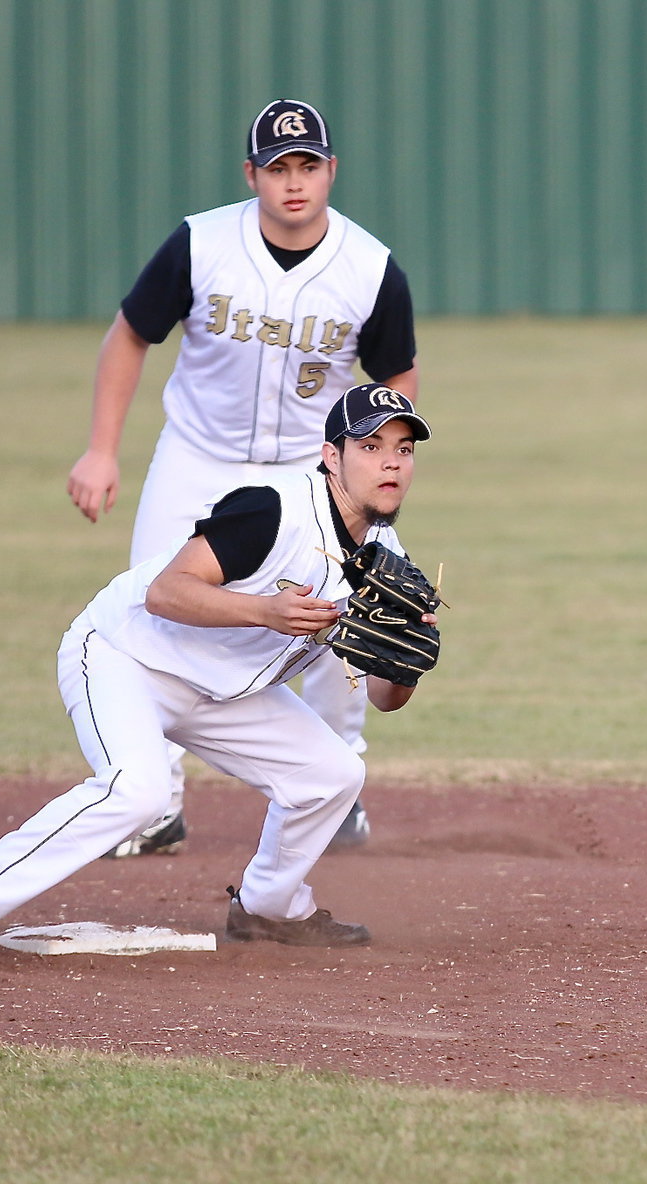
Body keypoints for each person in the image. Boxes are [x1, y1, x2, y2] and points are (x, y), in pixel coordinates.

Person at [0, 384, 435, 965]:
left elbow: (388, 697)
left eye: (405, 448)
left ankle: (268, 907)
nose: (391, 461)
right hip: (127, 655)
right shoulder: (274, 508)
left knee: (334, 773)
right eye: (370, 444)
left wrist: (408, 659)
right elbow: (166, 593)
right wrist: (267, 611)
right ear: (332, 456)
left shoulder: (388, 563)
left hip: (224, 689)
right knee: (139, 791)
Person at [66, 98, 419, 856]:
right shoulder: (200, 245)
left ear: (332, 170)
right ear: (252, 174)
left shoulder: (369, 268)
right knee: (155, 608)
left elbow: (399, 378)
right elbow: (130, 336)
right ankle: (152, 799)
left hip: (312, 471)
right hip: (199, 453)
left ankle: (338, 792)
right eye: (279, 167)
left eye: (309, 165)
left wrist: (376, 476)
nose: (295, 182)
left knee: (346, 625)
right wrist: (102, 448)